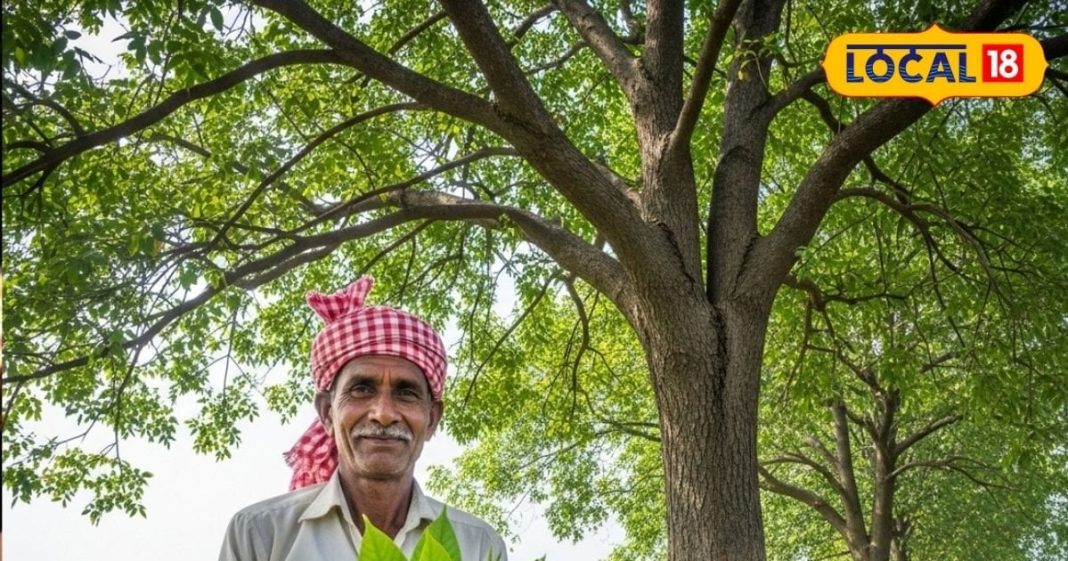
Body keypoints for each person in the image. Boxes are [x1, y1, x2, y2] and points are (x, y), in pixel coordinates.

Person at [218, 276, 507, 561]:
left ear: (432, 419)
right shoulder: (260, 535)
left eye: (406, 393)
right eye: (361, 389)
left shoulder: (479, 546)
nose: (384, 414)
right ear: (327, 412)